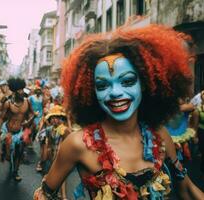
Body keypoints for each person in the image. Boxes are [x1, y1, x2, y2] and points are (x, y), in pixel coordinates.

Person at [34, 25, 204, 199]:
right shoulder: (78, 144)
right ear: (91, 92)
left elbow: (187, 191)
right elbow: (45, 195)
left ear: (145, 84)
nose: (115, 92)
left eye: (127, 81)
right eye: (102, 85)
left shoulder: (160, 137)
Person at [0, 77, 35, 181]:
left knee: (19, 152)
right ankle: (10, 159)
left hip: (20, 132)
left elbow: (32, 114)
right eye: (19, 90)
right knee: (9, 155)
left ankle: (15, 172)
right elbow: (1, 118)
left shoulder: (27, 102)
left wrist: (31, 120)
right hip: (8, 132)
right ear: (14, 91)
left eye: (23, 89)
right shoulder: (8, 103)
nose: (22, 92)